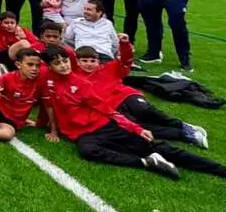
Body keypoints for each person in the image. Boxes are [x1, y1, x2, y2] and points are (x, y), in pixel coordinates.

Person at [38, 46, 226, 189]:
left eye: (65, 61)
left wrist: (136, 129)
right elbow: (49, 104)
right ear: (49, 67)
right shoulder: (47, 80)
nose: (63, 65)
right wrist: (49, 129)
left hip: (105, 125)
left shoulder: (82, 84)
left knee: (162, 148)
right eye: (57, 63)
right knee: (87, 151)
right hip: (84, 135)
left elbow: (108, 110)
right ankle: (147, 162)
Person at [75, 39, 207, 148]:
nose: (89, 64)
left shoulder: (109, 68)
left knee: (144, 111)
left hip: (125, 96)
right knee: (137, 126)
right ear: (77, 62)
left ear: (98, 61)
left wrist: (125, 44)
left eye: (93, 61)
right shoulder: (75, 78)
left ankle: (181, 125)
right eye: (84, 61)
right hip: (112, 108)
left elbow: (126, 61)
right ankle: (184, 135)